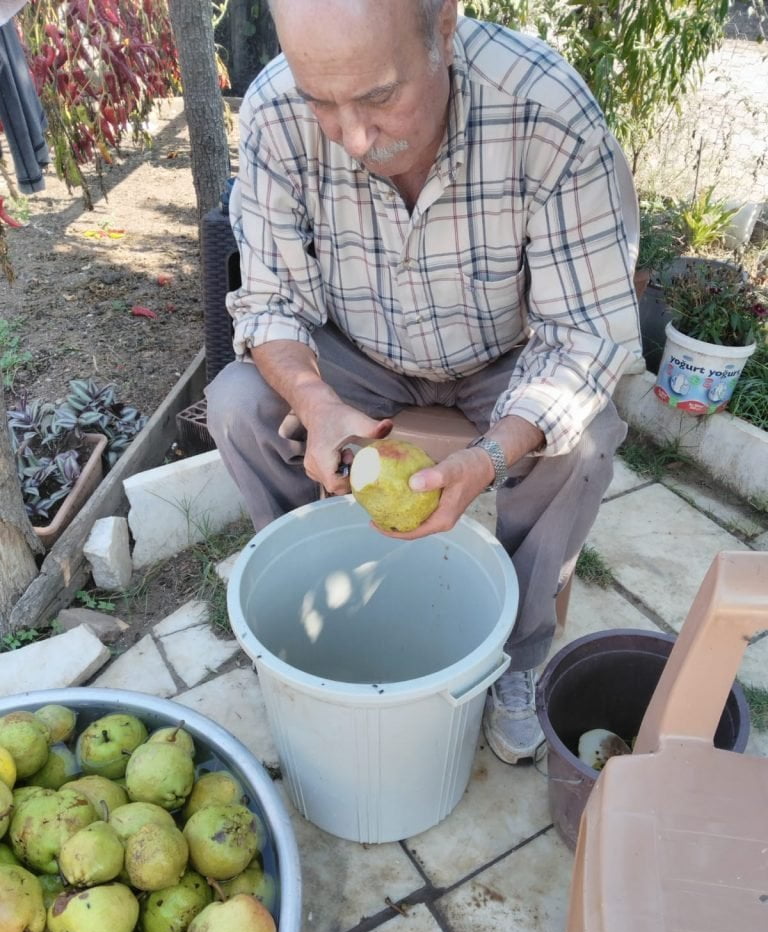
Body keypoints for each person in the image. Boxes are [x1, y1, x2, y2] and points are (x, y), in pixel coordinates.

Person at [206, 0, 642, 764]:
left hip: (501, 358)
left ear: (444, 27)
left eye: (378, 96)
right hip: (354, 354)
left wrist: (489, 458)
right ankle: (307, 594)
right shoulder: (275, 110)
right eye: (323, 101)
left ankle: (518, 650)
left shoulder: (548, 114)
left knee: (586, 437)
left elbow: (586, 337)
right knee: (239, 404)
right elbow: (269, 300)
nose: (354, 137)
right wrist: (316, 401)